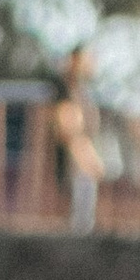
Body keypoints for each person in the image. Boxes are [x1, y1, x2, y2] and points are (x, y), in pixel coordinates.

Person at [52, 44, 108, 233]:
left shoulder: (85, 91)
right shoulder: (63, 89)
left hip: (83, 163)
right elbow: (68, 128)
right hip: (71, 165)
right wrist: (87, 157)